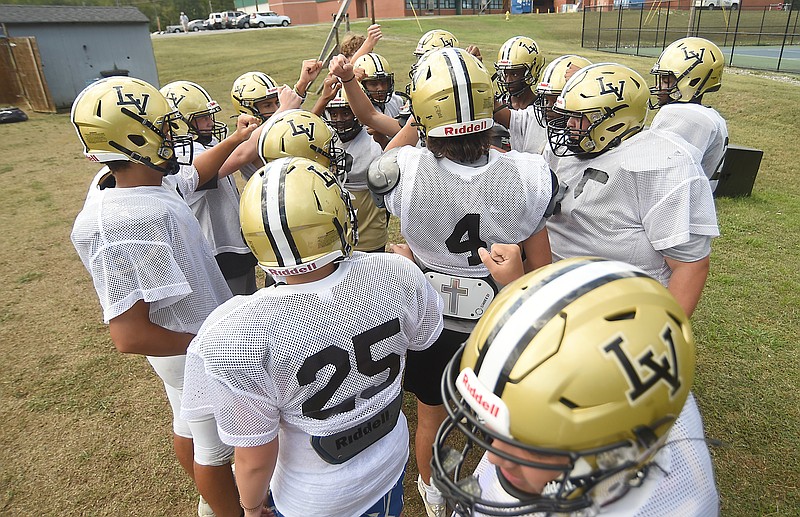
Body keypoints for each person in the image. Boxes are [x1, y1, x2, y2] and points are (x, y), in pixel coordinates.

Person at [180, 156, 444, 517]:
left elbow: (255, 457)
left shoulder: (235, 332)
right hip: (386, 461)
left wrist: (251, 507)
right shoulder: (397, 273)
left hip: (312, 493)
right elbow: (423, 346)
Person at [365, 47, 557, 517]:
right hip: (500, 310)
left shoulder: (405, 172)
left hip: (432, 315)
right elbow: (542, 263)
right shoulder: (530, 173)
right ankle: (501, 484)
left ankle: (432, 490)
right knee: (503, 408)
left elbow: (384, 164)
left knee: (432, 412)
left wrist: (413, 120)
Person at [70, 76, 259, 517]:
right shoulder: (130, 220)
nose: (175, 137)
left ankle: (208, 501)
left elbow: (193, 175)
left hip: (186, 338)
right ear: (136, 139)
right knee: (215, 448)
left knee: (186, 422)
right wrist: (210, 347)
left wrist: (236, 135)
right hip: (187, 344)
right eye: (163, 128)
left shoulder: (125, 179)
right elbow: (129, 334)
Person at [431, 257, 720, 516]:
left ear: (613, 452)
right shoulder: (644, 400)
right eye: (494, 429)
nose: (493, 456)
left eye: (530, 444)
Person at [546, 62, 719, 318]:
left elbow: (690, 265)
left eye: (579, 117)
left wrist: (663, 333)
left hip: (621, 310)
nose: (568, 126)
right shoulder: (564, 151)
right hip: (553, 293)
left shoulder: (662, 164)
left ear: (614, 121)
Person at [160, 80, 257, 296]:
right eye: (202, 118)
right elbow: (233, 159)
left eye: (209, 116)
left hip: (232, 241)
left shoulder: (206, 142)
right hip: (217, 246)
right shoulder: (184, 154)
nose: (210, 123)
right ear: (179, 124)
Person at [649, 37, 728, 192]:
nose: (658, 86)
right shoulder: (712, 117)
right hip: (697, 203)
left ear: (692, 81)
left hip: (677, 205)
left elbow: (660, 173)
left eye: (666, 80)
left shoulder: (681, 115)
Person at [314, 86, 387, 252]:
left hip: (369, 234)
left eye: (346, 113)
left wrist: (382, 139)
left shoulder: (373, 140)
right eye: (334, 114)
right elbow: (303, 132)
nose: (339, 119)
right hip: (336, 234)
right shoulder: (326, 139)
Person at [493, 35, 545, 111]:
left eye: (514, 74)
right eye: (505, 74)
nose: (508, 80)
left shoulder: (543, 110)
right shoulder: (499, 102)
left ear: (531, 72)